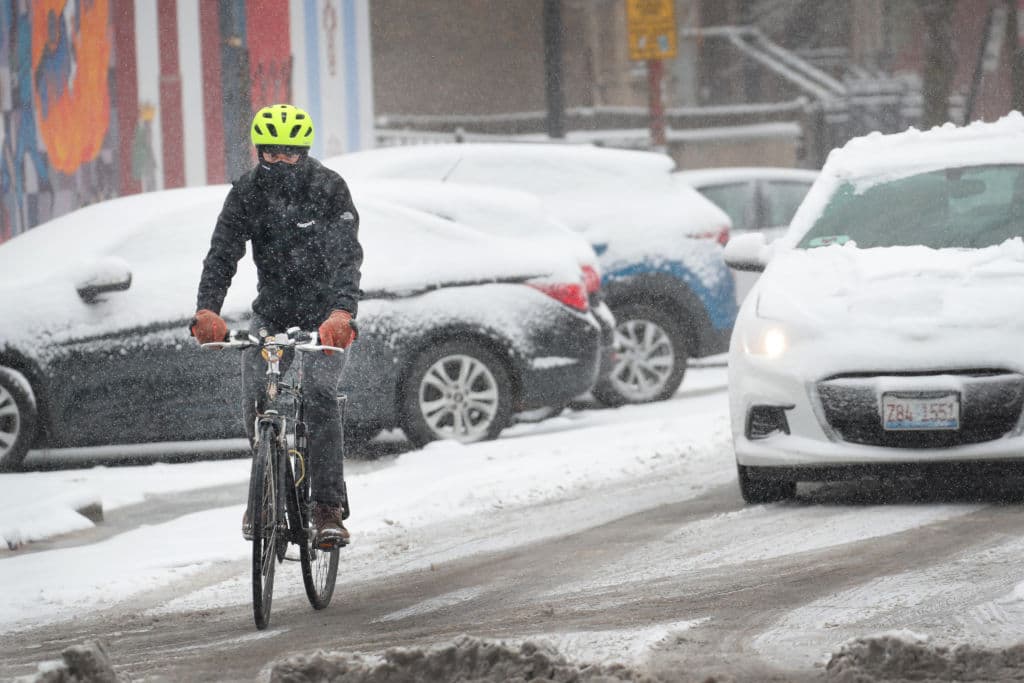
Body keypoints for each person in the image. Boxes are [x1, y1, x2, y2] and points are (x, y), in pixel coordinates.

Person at [190, 103, 362, 549]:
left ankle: (326, 508)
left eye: (290, 153)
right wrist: (208, 308)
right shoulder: (247, 193)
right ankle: (266, 490)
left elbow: (348, 257)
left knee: (321, 394)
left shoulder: (329, 188)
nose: (280, 160)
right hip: (273, 313)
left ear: (303, 151)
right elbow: (223, 253)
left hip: (326, 317)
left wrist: (342, 313)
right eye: (271, 153)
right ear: (260, 151)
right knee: (255, 392)